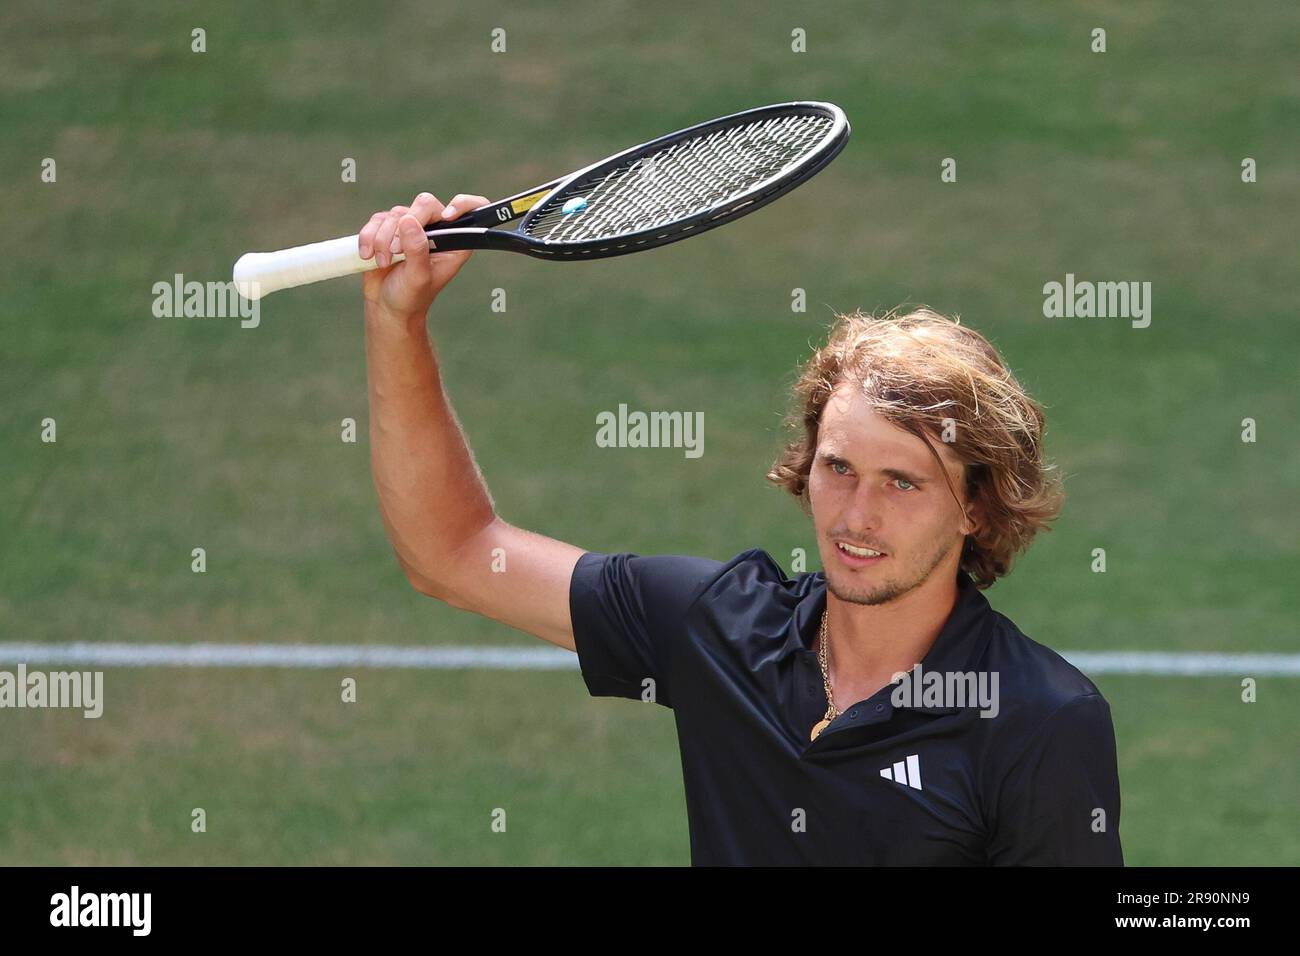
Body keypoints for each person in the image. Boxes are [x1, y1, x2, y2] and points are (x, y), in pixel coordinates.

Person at [357, 193, 1124, 866]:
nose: (857, 516)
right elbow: (453, 554)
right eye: (839, 468)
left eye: (902, 483)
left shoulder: (1040, 721)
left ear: (977, 508)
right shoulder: (720, 627)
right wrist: (399, 320)